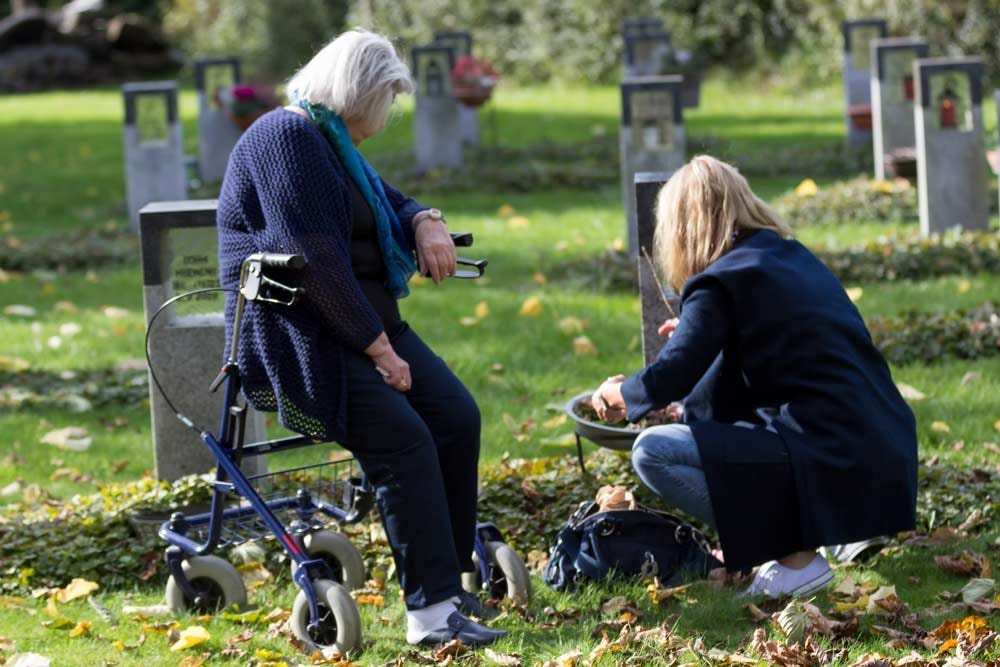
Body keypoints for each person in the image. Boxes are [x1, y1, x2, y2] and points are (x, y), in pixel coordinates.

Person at [216, 30, 506, 647]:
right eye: (387, 99)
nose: (389, 114)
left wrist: (426, 219)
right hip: (305, 337)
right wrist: (380, 351)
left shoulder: (329, 140)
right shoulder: (287, 139)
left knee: (455, 416)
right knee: (404, 441)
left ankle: (448, 583)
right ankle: (430, 617)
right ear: (358, 93)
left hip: (365, 326)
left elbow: (385, 200)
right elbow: (315, 261)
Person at [591, 156, 918, 598]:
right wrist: (696, 351)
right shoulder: (789, 256)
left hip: (825, 449)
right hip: (880, 445)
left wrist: (621, 394)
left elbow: (673, 374)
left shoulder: (718, 282)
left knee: (653, 451)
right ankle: (806, 541)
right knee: (700, 435)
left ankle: (792, 557)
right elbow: (770, 364)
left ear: (683, 226)